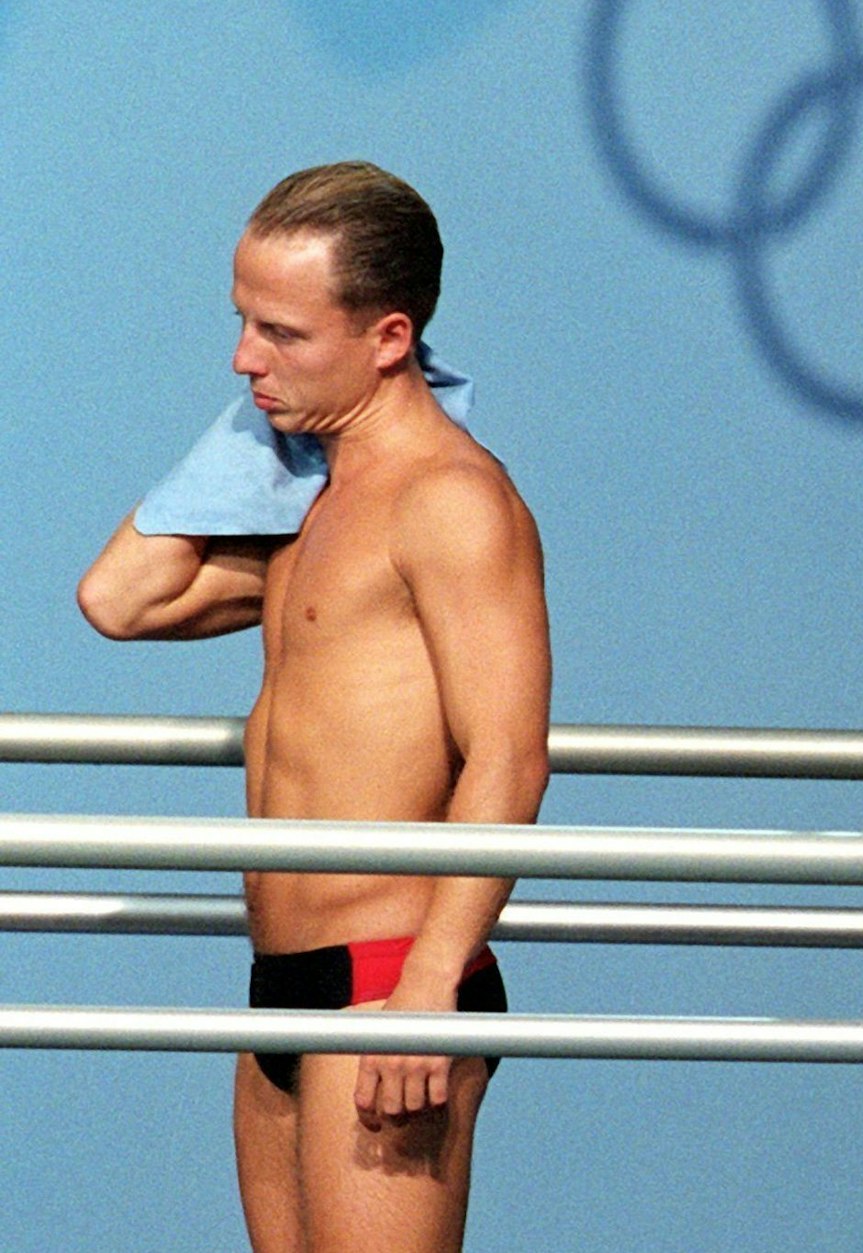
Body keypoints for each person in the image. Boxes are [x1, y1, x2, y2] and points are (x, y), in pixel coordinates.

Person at [78, 162, 551, 1253]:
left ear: (390, 339)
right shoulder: (312, 503)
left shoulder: (452, 500)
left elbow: (508, 757)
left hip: (388, 985)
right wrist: (260, 433)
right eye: (242, 321)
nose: (244, 359)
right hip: (279, 984)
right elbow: (119, 596)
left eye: (282, 333)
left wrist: (431, 984)